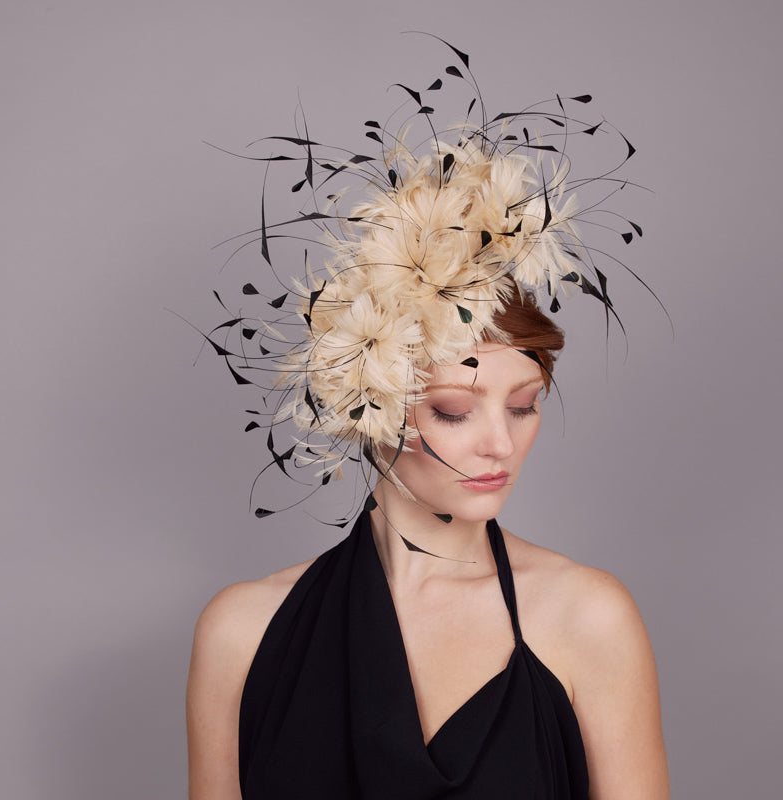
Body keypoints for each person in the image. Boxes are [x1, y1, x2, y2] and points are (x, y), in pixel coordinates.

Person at [186, 38, 670, 799]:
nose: (500, 443)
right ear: (368, 405)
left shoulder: (587, 618)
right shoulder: (243, 633)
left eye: (525, 406)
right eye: (453, 411)